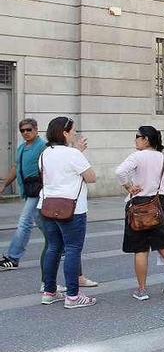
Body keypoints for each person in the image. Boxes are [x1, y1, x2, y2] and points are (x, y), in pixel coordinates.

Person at [116, 126, 164, 301]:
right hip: (160, 205)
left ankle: (142, 290)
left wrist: (128, 186)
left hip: (139, 207)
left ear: (146, 139)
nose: (135, 139)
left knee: (140, 249)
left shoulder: (137, 156)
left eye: (137, 136)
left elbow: (120, 171)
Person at [38, 116, 97, 309]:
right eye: (73, 131)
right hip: (72, 209)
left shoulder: (45, 153)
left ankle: (49, 292)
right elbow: (91, 177)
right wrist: (78, 153)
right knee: (72, 249)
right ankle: (73, 296)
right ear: (64, 133)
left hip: (47, 205)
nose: (75, 134)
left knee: (53, 247)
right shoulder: (73, 154)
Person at [0, 119, 48, 270]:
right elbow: (16, 167)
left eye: (28, 129)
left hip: (38, 191)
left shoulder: (43, 146)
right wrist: (4, 184)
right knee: (41, 222)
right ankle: (59, 245)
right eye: (22, 130)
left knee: (24, 222)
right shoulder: (21, 147)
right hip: (28, 191)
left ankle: (13, 258)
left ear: (36, 129)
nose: (25, 133)